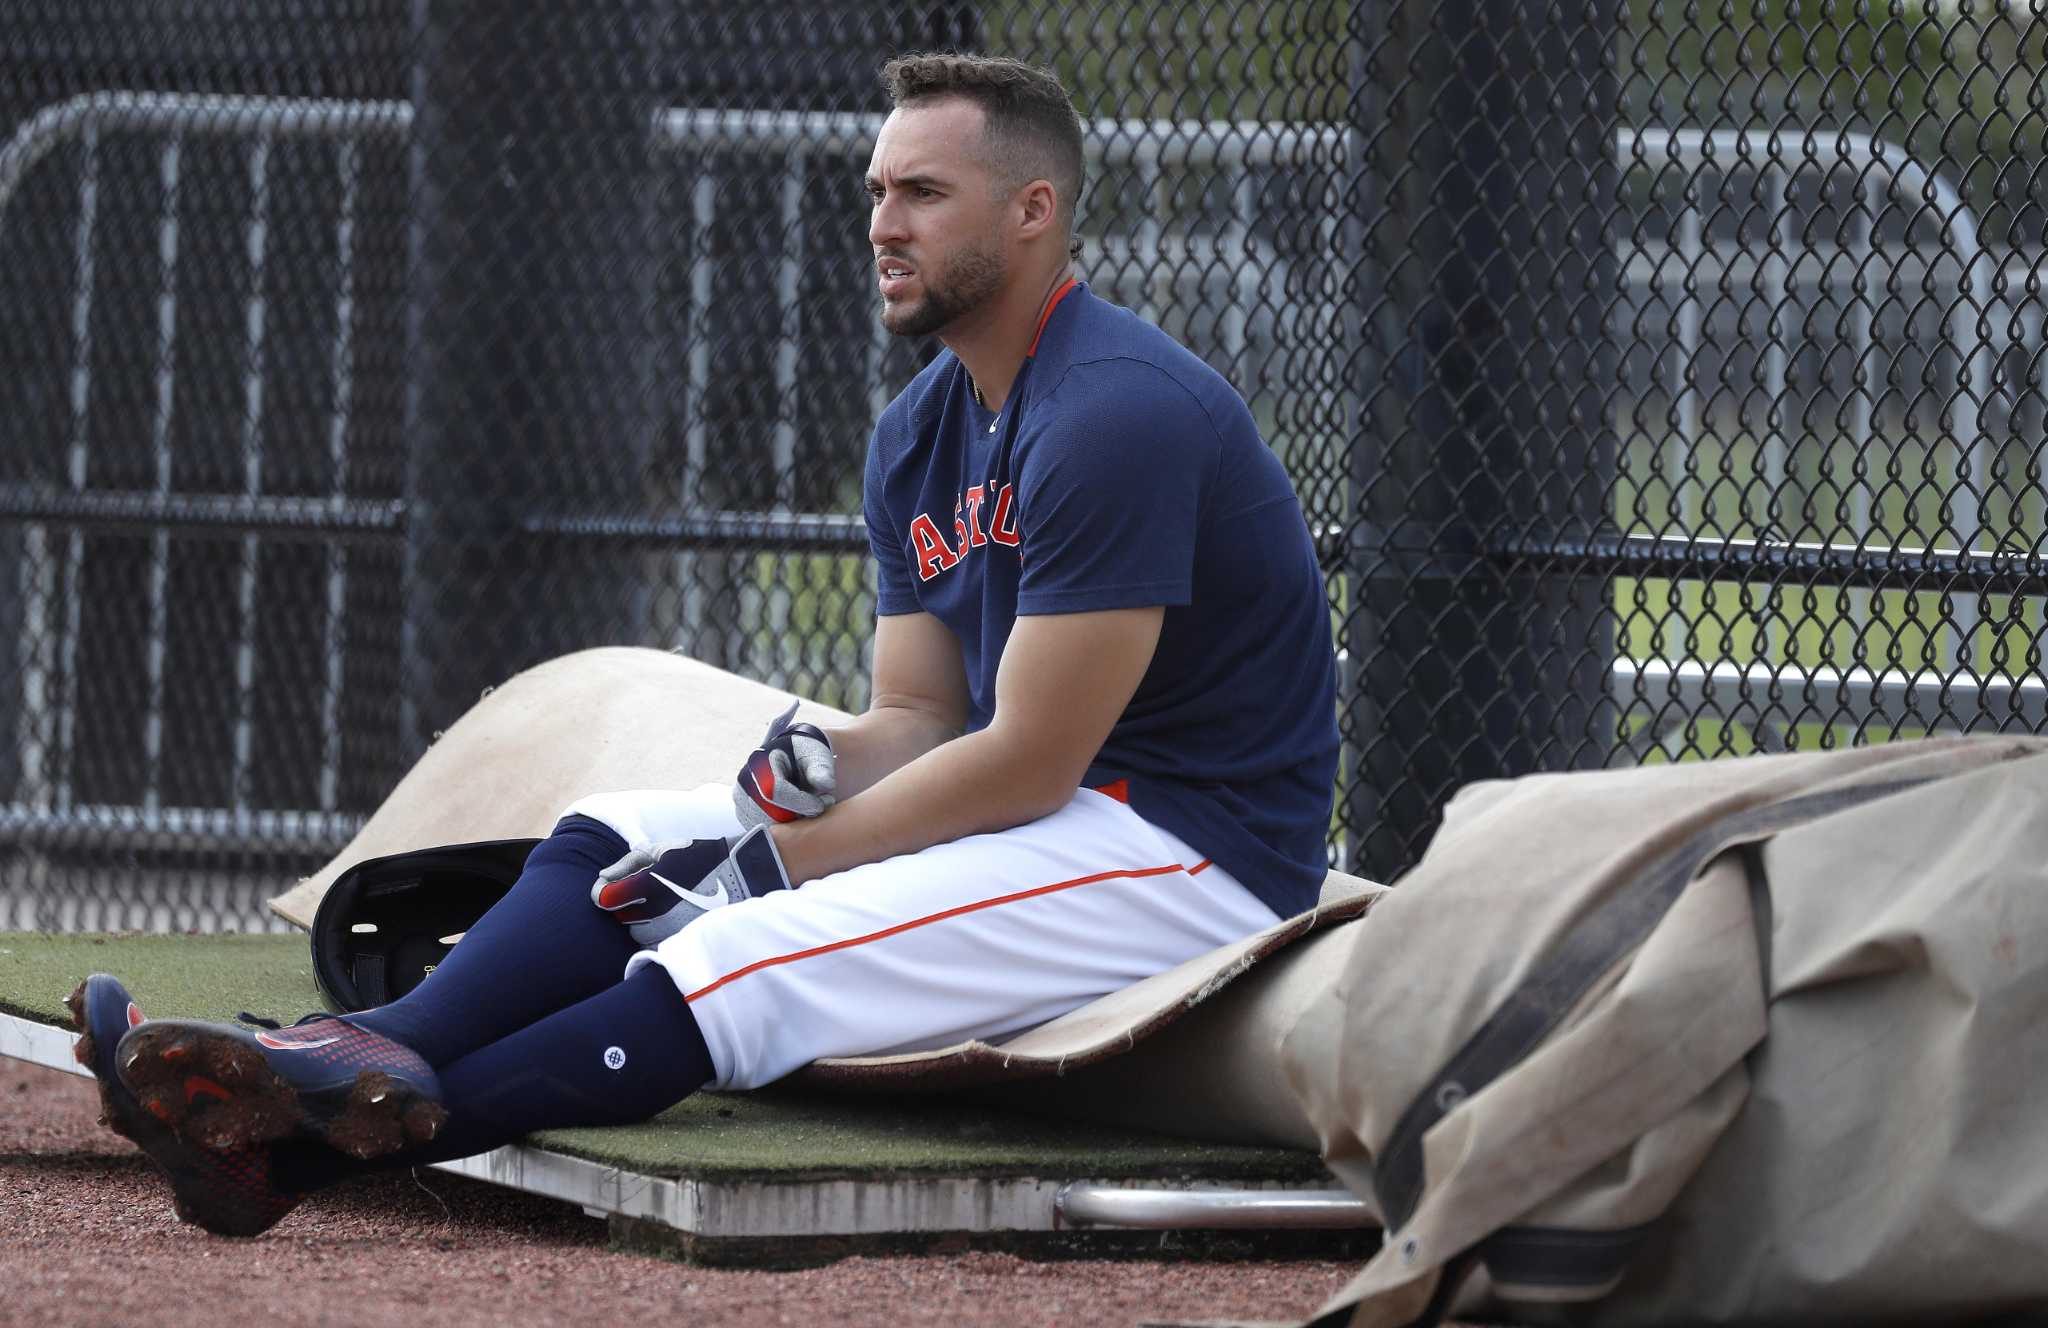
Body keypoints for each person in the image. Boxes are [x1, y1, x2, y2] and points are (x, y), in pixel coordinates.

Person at [70, 52, 1341, 1237]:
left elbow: (1029, 764)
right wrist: (806, 769)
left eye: (924, 193)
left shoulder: (1116, 408)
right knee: (624, 830)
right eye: (877, 190)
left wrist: (773, 863)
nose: (883, 224)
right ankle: (354, 1054)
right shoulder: (919, 431)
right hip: (1057, 817)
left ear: (1032, 210)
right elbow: (915, 715)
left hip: (1186, 845)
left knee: (740, 946)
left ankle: (287, 1151)